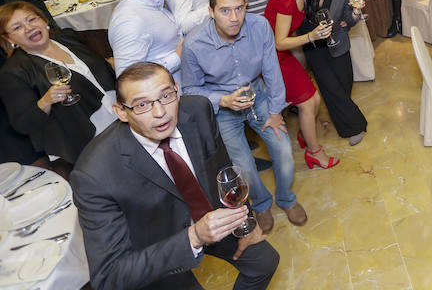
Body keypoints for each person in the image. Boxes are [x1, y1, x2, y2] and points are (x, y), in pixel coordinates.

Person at [71, 62, 279, 290]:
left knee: (265, 261)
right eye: (142, 104)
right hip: (157, 245)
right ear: (121, 112)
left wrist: (245, 221)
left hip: (211, 215)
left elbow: (224, 172)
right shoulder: (94, 174)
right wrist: (194, 237)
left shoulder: (198, 110)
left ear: (177, 91)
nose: (160, 113)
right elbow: (108, 276)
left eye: (166, 96)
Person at [182, 0, 306, 234]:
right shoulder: (194, 44)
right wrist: (223, 100)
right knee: (244, 168)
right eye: (225, 10)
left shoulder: (260, 26)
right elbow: (190, 90)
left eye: (239, 8)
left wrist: (274, 111)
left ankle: (286, 199)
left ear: (246, 5)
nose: (234, 17)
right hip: (224, 109)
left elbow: (272, 71)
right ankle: (261, 204)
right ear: (211, 11)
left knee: (283, 151)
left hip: (258, 96)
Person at [0, 1, 117, 178]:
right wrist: (45, 101)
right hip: (84, 139)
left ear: (44, 20)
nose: (28, 27)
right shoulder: (14, 71)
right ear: (9, 39)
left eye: (31, 19)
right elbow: (23, 124)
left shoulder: (67, 39)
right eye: (17, 27)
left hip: (117, 115)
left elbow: (98, 69)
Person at [263, 0, 339, 167]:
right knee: (308, 102)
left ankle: (306, 137)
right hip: (272, 57)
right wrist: (311, 36)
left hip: (281, 55)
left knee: (314, 99)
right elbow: (280, 42)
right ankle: (314, 151)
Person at [300, 0, 368, 144]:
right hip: (314, 44)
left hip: (338, 42)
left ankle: (343, 119)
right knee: (331, 88)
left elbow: (350, 19)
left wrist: (355, 13)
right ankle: (353, 126)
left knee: (344, 86)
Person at [109, 0, 184, 83]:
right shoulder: (129, 22)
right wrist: (177, 57)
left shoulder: (152, 0)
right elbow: (130, 80)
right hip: (172, 94)